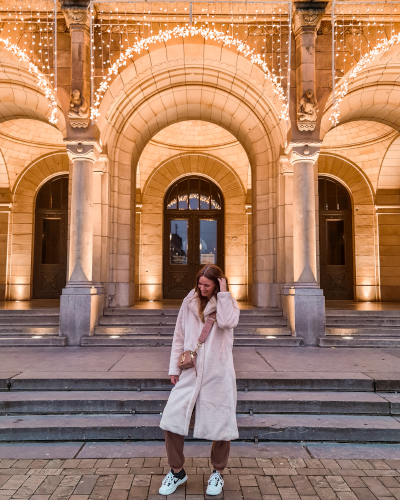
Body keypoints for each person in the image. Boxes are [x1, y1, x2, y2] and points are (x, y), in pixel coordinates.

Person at [159, 264, 240, 496]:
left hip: (218, 371)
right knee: (172, 418)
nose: (202, 288)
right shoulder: (189, 302)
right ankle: (177, 471)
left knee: (221, 424)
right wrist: (174, 367)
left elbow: (227, 322)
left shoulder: (229, 303)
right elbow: (179, 335)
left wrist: (223, 294)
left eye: (207, 285)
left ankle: (218, 473)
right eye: (200, 284)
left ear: (217, 284)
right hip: (190, 370)